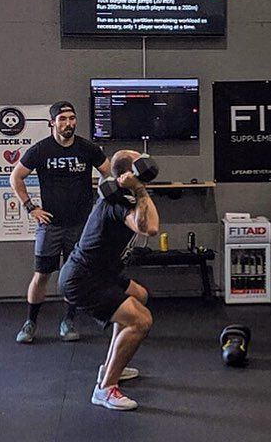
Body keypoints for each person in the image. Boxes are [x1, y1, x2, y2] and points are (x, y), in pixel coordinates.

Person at [58, 150, 160, 411]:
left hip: (103, 273)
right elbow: (148, 228)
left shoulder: (126, 196)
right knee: (141, 320)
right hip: (83, 278)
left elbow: (153, 223)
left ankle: (113, 364)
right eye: (139, 160)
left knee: (139, 295)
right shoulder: (115, 202)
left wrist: (140, 189)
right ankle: (105, 389)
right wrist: (140, 189)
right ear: (131, 171)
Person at [11, 101, 111, 344]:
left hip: (80, 225)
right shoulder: (41, 150)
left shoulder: (88, 149)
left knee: (73, 275)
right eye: (63, 119)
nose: (68, 123)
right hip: (51, 225)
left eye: (72, 118)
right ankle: (31, 322)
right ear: (52, 123)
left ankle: (68, 321)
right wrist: (31, 207)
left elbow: (110, 173)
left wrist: (103, 203)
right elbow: (16, 177)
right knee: (41, 275)